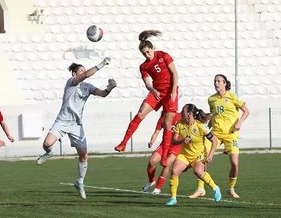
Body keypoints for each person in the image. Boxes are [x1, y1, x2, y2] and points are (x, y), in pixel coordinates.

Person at [36, 57, 115, 200]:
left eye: (84, 70)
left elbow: (102, 94)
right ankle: (49, 153)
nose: (84, 72)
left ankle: (79, 182)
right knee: (47, 144)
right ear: (74, 74)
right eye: (81, 70)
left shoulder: (88, 87)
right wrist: (102, 64)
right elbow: (84, 75)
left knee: (84, 155)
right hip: (62, 121)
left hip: (76, 125)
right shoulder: (71, 83)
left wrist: (110, 87)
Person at [114, 30, 179, 167]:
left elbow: (174, 73)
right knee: (141, 113)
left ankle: (165, 156)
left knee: (167, 124)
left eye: (148, 52)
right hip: (156, 92)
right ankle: (123, 143)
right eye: (144, 54)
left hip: (170, 92)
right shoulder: (143, 66)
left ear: (152, 48)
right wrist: (152, 89)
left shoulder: (163, 55)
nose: (147, 55)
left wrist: (173, 91)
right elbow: (147, 83)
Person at [189, 74, 250, 199]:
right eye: (215, 81)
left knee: (234, 164)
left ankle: (231, 188)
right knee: (202, 158)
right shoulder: (211, 99)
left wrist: (239, 122)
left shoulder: (232, 96)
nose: (216, 83)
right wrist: (206, 127)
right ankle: (200, 188)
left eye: (218, 81)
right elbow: (213, 115)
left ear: (225, 83)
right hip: (216, 133)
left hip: (231, 135)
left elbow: (246, 111)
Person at [165, 103, 221, 206]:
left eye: (183, 111)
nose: (181, 112)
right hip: (185, 155)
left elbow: (214, 141)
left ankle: (215, 188)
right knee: (174, 171)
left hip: (198, 155)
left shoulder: (200, 126)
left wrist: (210, 155)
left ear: (189, 114)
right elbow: (174, 140)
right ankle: (173, 198)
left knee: (198, 172)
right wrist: (182, 140)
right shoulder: (179, 124)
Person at [142, 111, 181, 195]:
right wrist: (151, 141)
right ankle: (151, 180)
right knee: (152, 161)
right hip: (164, 145)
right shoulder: (163, 118)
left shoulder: (180, 116)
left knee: (167, 164)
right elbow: (156, 132)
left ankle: (158, 188)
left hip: (176, 146)